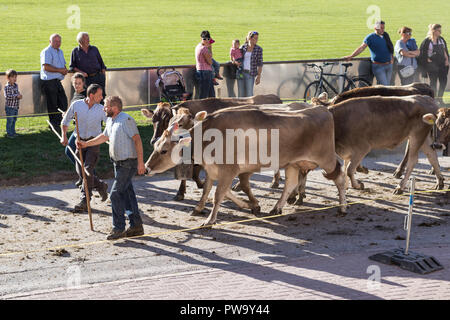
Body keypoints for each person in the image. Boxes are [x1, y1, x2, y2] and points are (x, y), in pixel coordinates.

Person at [77, 96, 145, 240]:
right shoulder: (110, 120)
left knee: (115, 194)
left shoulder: (126, 120)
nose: (103, 108)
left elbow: (137, 140)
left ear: (114, 108)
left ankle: (118, 228)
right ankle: (136, 226)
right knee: (127, 194)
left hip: (128, 163)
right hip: (117, 163)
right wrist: (85, 143)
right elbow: (103, 137)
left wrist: (140, 163)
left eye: (106, 106)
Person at [60, 84, 108, 212]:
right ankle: (101, 185)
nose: (102, 97)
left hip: (93, 143)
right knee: (82, 172)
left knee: (87, 170)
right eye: (99, 95)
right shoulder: (77, 105)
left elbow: (109, 125)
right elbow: (65, 121)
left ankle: (84, 200)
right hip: (79, 142)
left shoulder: (101, 109)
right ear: (91, 95)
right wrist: (64, 136)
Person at [344, 21, 394, 85]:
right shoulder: (370, 37)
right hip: (378, 66)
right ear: (375, 28)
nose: (383, 30)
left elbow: (390, 47)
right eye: (381, 28)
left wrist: (392, 58)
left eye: (383, 28)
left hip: (389, 65)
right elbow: (361, 48)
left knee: (384, 86)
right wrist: (351, 56)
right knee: (385, 86)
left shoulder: (386, 35)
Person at [40, 33, 68, 131]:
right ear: (50, 41)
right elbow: (46, 67)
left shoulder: (60, 51)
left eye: (59, 41)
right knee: (52, 104)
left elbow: (63, 65)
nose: (58, 43)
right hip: (49, 81)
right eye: (55, 41)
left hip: (57, 81)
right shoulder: (46, 51)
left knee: (63, 103)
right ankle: (54, 125)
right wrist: (61, 70)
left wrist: (65, 70)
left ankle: (59, 123)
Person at [64, 73, 87, 186]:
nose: (77, 86)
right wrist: (67, 113)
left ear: (83, 83)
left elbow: (83, 113)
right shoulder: (75, 94)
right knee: (70, 151)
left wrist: (71, 115)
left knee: (80, 155)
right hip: (76, 129)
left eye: (79, 83)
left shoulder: (84, 96)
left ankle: (88, 177)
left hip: (84, 131)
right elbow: (73, 109)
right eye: (75, 83)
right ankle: (83, 175)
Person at [70, 32, 107, 100]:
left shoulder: (94, 49)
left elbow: (101, 63)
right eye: (87, 39)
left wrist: (103, 75)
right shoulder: (75, 51)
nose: (89, 41)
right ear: (80, 41)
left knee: (101, 97)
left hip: (98, 77)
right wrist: (82, 73)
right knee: (89, 98)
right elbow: (72, 67)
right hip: (86, 80)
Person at [418, 24, 449, 104]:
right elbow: (422, 52)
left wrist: (446, 59)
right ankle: (433, 99)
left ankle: (440, 98)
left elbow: (444, 50)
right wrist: (427, 60)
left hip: (442, 64)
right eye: (439, 30)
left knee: (443, 81)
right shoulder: (427, 41)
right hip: (432, 65)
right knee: (433, 82)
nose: (440, 32)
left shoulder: (441, 39)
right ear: (434, 31)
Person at [237, 31, 263, 97]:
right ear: (250, 38)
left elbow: (260, 64)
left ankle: (250, 107)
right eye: (255, 38)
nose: (256, 40)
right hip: (241, 73)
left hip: (250, 74)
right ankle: (241, 107)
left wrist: (259, 76)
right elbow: (236, 56)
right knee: (241, 94)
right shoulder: (243, 47)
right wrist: (234, 61)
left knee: (249, 94)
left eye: (257, 38)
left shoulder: (259, 49)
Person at [195, 30, 215, 99]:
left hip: (200, 71)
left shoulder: (198, 46)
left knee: (207, 93)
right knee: (206, 94)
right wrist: (210, 48)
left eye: (208, 39)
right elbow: (210, 62)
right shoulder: (204, 49)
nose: (206, 40)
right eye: (204, 39)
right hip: (205, 72)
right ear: (201, 38)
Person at [3, 69, 22, 138]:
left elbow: (17, 92)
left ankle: (13, 132)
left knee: (14, 120)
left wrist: (19, 95)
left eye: (15, 77)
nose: (15, 79)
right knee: (10, 120)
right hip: (10, 107)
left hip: (15, 106)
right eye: (13, 77)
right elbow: (7, 96)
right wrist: (16, 96)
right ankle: (9, 133)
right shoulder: (7, 87)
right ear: (8, 78)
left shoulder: (15, 85)